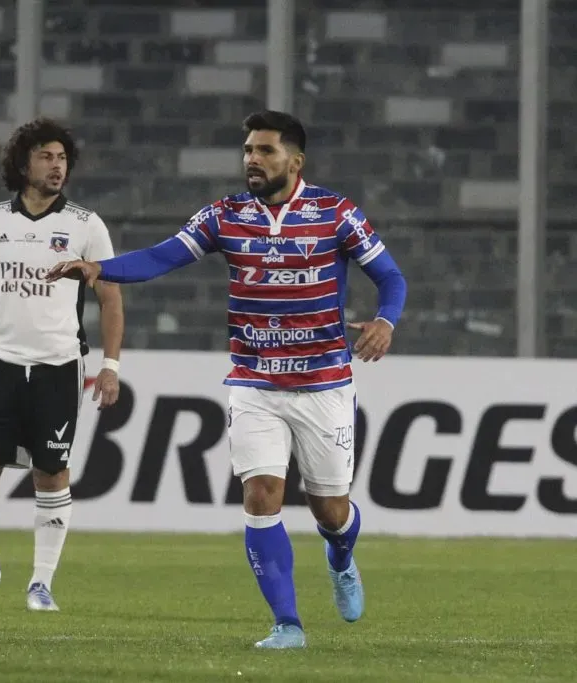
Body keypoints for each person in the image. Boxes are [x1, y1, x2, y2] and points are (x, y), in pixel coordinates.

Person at [46, 110, 407, 649]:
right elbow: (163, 257)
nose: (252, 160)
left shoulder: (336, 213)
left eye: (265, 150)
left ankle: (340, 555)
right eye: (248, 150)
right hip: (254, 383)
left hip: (325, 384)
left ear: (295, 161)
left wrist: (385, 321)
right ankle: (287, 624)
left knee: (331, 511)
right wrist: (103, 269)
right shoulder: (226, 215)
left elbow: (390, 276)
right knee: (261, 496)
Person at [0, 118, 125, 612]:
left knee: (51, 473)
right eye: (46, 157)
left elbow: (111, 298)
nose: (57, 166)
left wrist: (111, 365)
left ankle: (41, 582)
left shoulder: (85, 224)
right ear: (22, 162)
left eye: (62, 158)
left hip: (58, 366)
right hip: (0, 363)